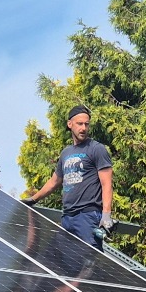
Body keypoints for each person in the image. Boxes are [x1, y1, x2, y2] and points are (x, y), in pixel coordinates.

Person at [21, 105, 115, 248]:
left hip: (88, 215)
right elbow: (54, 181)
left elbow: (107, 183)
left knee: (89, 258)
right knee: (64, 261)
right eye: (79, 124)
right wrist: (34, 199)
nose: (83, 128)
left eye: (86, 124)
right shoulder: (66, 153)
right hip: (67, 217)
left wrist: (106, 215)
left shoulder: (97, 149)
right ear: (70, 124)